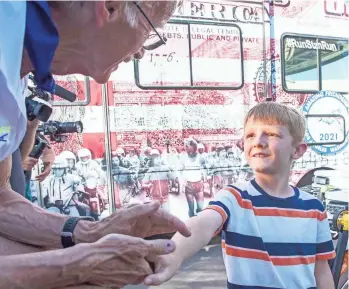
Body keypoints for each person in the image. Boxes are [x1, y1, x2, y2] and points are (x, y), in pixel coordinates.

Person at [0, 1, 191, 288]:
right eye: (149, 31)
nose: (139, 52)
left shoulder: (15, 63)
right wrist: (76, 266)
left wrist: (91, 232)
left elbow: (1, 202)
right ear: (110, 7)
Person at [144, 102, 336, 289]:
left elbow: (321, 271)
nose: (259, 142)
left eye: (271, 134)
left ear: (298, 150)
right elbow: (201, 224)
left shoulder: (313, 208)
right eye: (250, 135)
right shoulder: (234, 198)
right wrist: (173, 254)